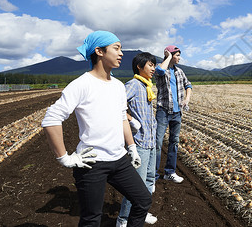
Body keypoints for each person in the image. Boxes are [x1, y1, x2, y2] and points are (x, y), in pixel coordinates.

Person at [41, 31, 151, 227]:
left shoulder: (118, 86)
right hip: (91, 164)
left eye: (121, 49)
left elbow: (121, 117)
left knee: (143, 200)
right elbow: (51, 118)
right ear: (99, 51)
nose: (121, 53)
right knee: (92, 219)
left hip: (119, 160)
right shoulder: (81, 84)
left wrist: (132, 147)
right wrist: (64, 157)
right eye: (116, 48)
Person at [117, 52, 158, 226]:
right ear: (139, 67)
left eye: (154, 65)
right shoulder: (133, 85)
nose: (153, 69)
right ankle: (123, 219)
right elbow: (116, 104)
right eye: (150, 65)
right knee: (136, 186)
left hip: (151, 142)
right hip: (139, 142)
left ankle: (142, 212)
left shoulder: (147, 86)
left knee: (149, 180)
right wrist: (131, 120)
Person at [155, 45, 192, 183]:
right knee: (158, 143)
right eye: (177, 55)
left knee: (174, 142)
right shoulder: (161, 68)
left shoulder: (180, 72)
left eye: (178, 55)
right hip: (163, 111)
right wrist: (168, 57)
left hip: (177, 113)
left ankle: (169, 172)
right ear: (169, 55)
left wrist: (187, 99)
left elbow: (188, 85)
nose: (179, 58)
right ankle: (152, 176)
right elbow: (159, 70)